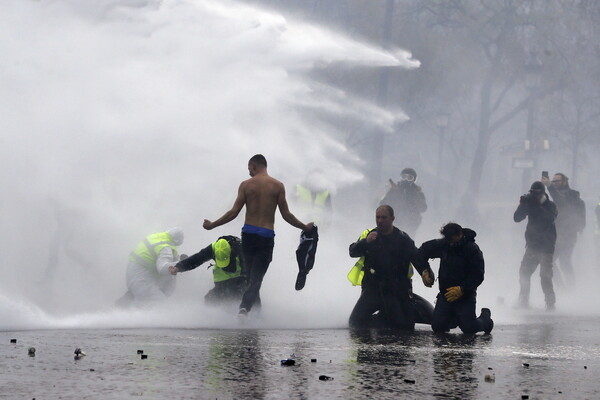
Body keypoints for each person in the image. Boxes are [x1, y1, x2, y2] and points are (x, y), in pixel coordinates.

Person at [203, 154, 314, 316]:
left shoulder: (246, 185)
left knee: (250, 277)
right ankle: (244, 310)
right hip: (266, 236)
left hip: (248, 235)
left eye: (249, 169)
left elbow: (233, 212)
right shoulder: (278, 186)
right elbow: (286, 215)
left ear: (254, 166)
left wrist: (212, 225)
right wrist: (304, 227)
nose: (249, 173)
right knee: (256, 279)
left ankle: (251, 311)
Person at [347, 205, 435, 330]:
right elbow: (352, 251)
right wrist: (366, 242)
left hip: (397, 289)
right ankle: (379, 321)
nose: (380, 221)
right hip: (373, 288)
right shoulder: (369, 235)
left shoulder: (402, 239)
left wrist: (425, 272)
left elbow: (417, 257)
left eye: (384, 218)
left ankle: (391, 315)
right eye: (377, 217)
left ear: (392, 218)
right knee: (355, 322)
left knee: (404, 327)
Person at [417, 222, 493, 334]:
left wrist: (462, 288)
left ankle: (486, 320)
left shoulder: (472, 250)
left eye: (453, 240)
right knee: (438, 327)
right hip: (446, 294)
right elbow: (422, 251)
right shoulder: (445, 244)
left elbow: (478, 275)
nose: (451, 243)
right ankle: (453, 318)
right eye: (448, 240)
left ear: (459, 235)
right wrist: (425, 271)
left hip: (465, 296)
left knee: (469, 328)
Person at [513, 181, 558, 310]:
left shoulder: (550, 205)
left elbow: (548, 218)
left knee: (545, 276)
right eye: (532, 192)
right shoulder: (530, 203)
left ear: (543, 193)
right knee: (524, 273)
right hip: (532, 246)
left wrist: (537, 204)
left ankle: (550, 303)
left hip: (547, 248)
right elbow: (517, 218)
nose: (534, 195)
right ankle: (523, 299)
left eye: (537, 193)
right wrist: (522, 206)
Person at [170, 236, 249, 306]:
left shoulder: (243, 251)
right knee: (210, 300)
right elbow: (197, 259)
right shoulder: (215, 248)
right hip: (222, 283)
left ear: (232, 252)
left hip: (240, 281)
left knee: (245, 298)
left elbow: (252, 276)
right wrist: (178, 267)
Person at [116, 227, 184, 306]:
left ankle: (120, 308)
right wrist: (182, 264)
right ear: (177, 241)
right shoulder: (165, 247)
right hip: (141, 278)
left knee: (138, 301)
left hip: (135, 274)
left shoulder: (157, 237)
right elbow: (163, 268)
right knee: (159, 304)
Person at [542, 173, 586, 286]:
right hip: (563, 234)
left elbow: (560, 201)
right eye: (553, 181)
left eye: (557, 181)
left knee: (550, 261)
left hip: (566, 235)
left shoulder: (568, 195)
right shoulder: (570, 196)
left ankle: (563, 287)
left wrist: (549, 186)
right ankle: (568, 287)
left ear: (564, 182)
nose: (555, 183)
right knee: (562, 261)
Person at [380, 167, 427, 238]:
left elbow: (423, 208)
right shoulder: (394, 190)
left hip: (411, 222)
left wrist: (415, 197)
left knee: (408, 239)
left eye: (409, 178)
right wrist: (394, 194)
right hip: (395, 220)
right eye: (404, 176)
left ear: (414, 180)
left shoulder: (417, 192)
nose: (406, 180)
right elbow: (383, 203)